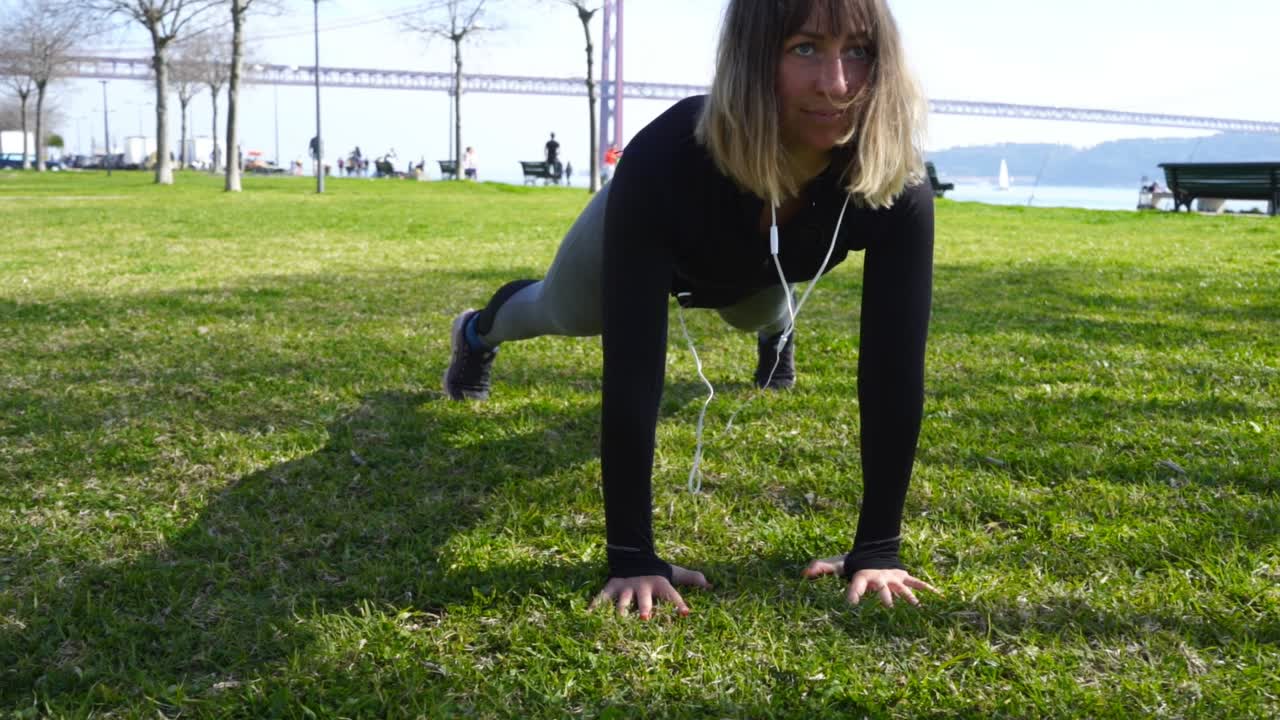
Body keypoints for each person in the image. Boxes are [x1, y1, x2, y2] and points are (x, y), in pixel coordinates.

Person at [444, 0, 938, 618]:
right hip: (650, 240)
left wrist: (879, 548)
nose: (835, 85)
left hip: (759, 269)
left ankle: (776, 337)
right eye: (804, 48)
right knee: (558, 311)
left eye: (859, 52)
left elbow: (893, 368)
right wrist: (633, 556)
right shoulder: (668, 156)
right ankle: (476, 332)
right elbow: (633, 368)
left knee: (760, 310)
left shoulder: (897, 181)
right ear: (754, 59)